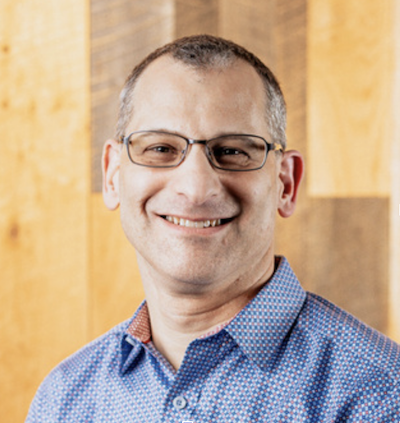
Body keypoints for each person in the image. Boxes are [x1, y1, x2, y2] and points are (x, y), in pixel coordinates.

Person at [26, 34, 400, 423]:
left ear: (285, 184)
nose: (196, 189)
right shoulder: (65, 400)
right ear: (112, 175)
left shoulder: (381, 396)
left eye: (233, 151)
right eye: (160, 149)